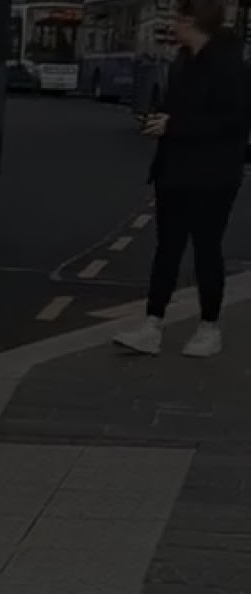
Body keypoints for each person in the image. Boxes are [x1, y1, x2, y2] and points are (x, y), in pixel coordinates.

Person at [113, 0, 251, 357]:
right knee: (166, 250)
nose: (172, 24)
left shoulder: (230, 65)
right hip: (175, 169)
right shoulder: (182, 61)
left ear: (192, 22)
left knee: (206, 249)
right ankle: (152, 326)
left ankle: (209, 328)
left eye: (177, 18)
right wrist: (159, 120)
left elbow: (233, 122)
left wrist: (175, 125)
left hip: (214, 174)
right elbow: (177, 110)